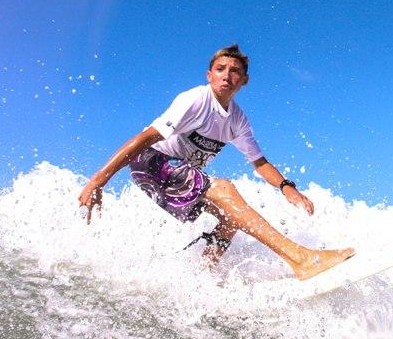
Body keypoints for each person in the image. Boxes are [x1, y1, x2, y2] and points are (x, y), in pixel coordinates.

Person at [77, 44, 355, 280]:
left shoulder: (237, 120)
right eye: (220, 69)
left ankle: (201, 276)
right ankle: (301, 259)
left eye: (235, 71)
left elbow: (259, 162)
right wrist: (98, 179)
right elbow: (146, 137)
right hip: (151, 161)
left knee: (232, 216)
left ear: (244, 80)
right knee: (226, 191)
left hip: (177, 171)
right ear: (209, 75)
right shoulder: (196, 100)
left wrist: (286, 187)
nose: (227, 75)